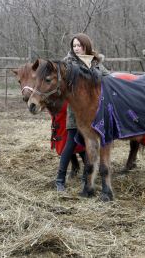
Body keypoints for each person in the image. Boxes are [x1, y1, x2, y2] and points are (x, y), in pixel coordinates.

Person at [56, 33, 109, 191]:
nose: (76, 48)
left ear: (86, 45)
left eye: (79, 45)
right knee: (71, 143)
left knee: (91, 145)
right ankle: (60, 179)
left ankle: (87, 179)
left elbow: (107, 77)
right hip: (75, 112)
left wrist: (96, 74)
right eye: (74, 46)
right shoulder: (67, 64)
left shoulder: (96, 61)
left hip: (95, 111)